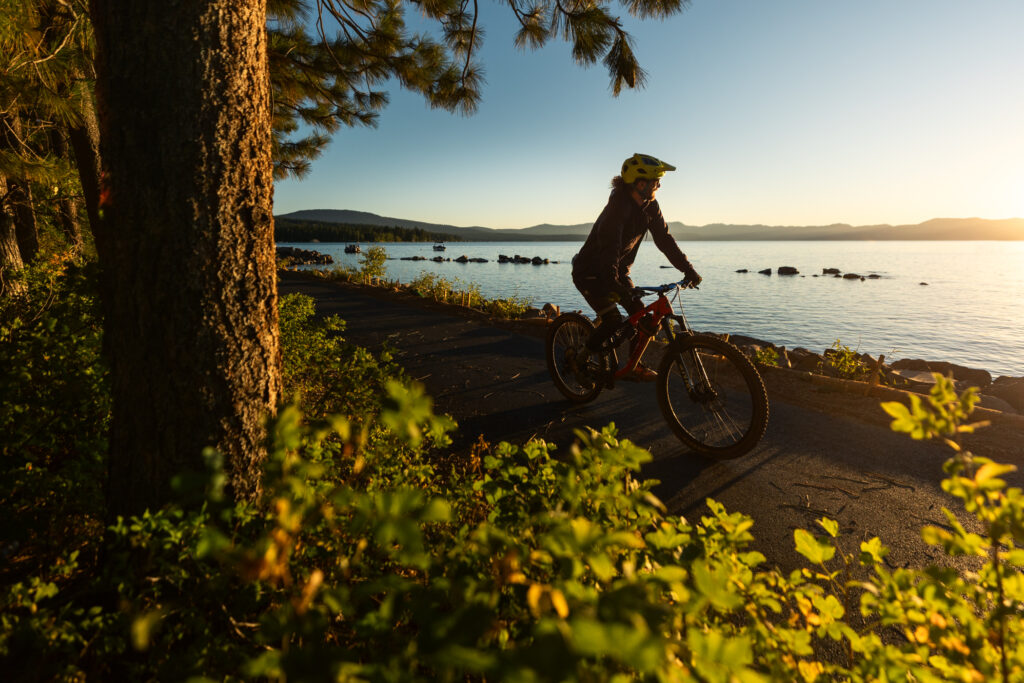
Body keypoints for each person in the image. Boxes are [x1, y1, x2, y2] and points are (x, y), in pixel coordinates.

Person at [572, 153, 702, 381]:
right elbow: (610, 250)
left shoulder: (650, 206)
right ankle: (580, 358)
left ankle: (634, 367)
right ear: (641, 184)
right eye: (656, 182)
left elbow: (664, 240)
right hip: (591, 273)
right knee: (612, 320)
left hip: (618, 272)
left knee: (642, 319)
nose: (659, 186)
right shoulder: (616, 210)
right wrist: (614, 285)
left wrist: (688, 269)